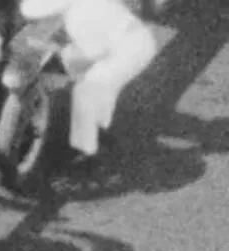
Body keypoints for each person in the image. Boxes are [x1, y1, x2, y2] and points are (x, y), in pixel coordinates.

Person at [20, 0, 157, 179]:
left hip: (130, 49)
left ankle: (92, 155)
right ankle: (86, 138)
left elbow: (90, 56)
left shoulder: (78, 19)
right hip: (127, 38)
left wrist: (59, 54)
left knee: (90, 90)